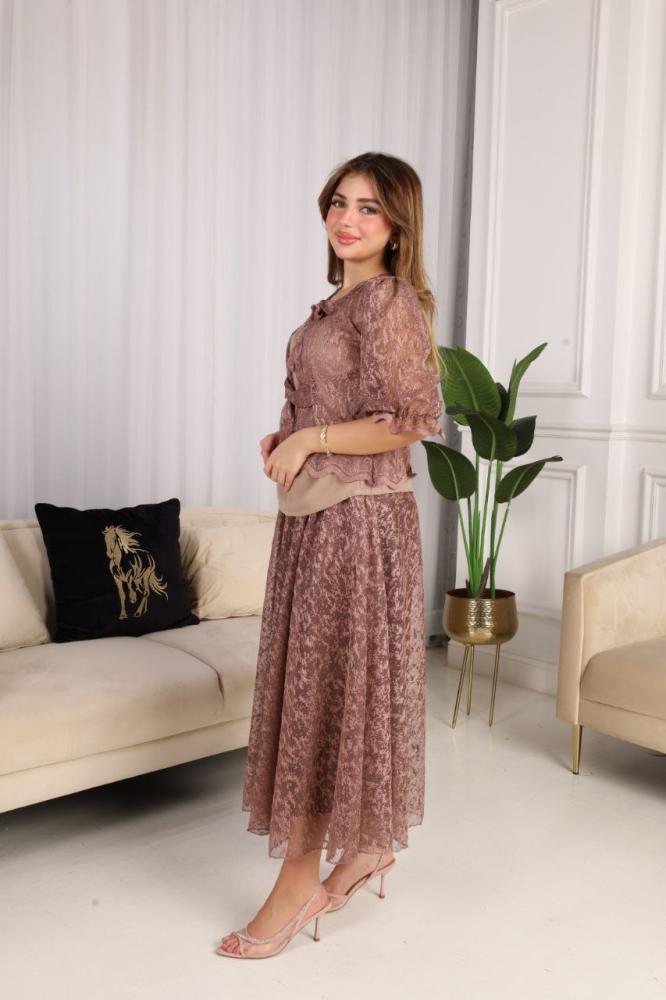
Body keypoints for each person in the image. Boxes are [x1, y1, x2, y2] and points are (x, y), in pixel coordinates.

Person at [216, 152, 445, 959]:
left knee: (326, 691)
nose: (347, 220)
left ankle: (298, 884)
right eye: (339, 203)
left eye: (369, 208)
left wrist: (309, 438)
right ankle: (366, 849)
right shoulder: (334, 307)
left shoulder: (388, 302)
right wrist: (287, 437)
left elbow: (412, 419)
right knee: (325, 684)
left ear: (398, 227)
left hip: (357, 528)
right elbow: (340, 404)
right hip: (314, 518)